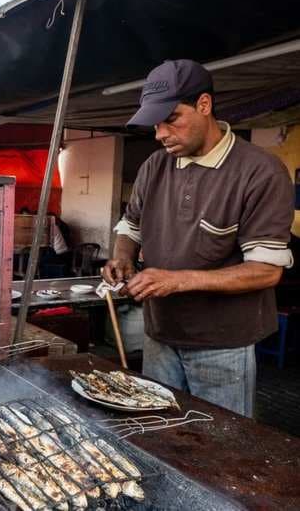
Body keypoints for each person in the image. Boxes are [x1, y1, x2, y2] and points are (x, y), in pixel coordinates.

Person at [103, 59, 294, 417]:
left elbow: (266, 271)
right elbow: (130, 228)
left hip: (222, 343)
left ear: (204, 105)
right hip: (159, 335)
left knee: (218, 448)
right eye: (155, 123)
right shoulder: (154, 167)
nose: (160, 133)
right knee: (157, 434)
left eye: (171, 118)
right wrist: (123, 258)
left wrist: (176, 281)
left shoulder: (259, 172)